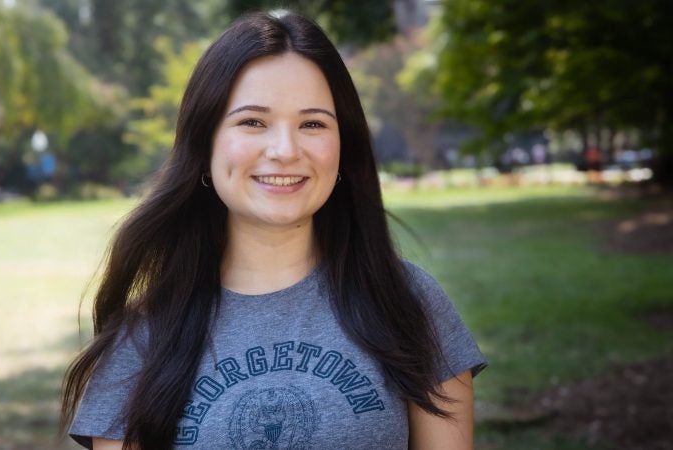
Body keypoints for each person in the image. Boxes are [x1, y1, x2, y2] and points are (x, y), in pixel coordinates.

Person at [61, 11, 486, 450]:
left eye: (313, 124)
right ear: (205, 143)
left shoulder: (408, 302)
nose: (285, 150)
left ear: (345, 145)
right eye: (253, 122)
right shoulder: (143, 338)